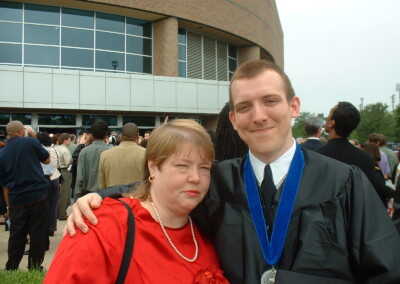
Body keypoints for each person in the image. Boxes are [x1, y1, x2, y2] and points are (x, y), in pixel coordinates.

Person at [67, 60, 400, 283]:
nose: (258, 116)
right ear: (233, 120)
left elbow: (385, 273)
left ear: (293, 107)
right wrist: (101, 197)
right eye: (244, 107)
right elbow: (161, 192)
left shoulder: (344, 183)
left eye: (270, 101)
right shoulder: (218, 181)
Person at [45, 119, 229, 283]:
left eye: (204, 168)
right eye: (182, 166)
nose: (196, 177)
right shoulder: (102, 225)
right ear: (153, 167)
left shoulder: (208, 228)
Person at [0, 121, 50, 270]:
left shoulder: (3, 153)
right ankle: (34, 266)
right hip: (38, 195)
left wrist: (9, 206)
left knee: (17, 234)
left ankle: (12, 266)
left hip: (17, 199)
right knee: (37, 233)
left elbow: (5, 186)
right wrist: (34, 136)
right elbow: (46, 159)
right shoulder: (30, 142)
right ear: (21, 131)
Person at [98, 122, 146, 189]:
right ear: (137, 137)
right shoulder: (146, 154)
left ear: (122, 136)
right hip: (136, 198)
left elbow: (102, 185)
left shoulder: (105, 155)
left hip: (112, 197)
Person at [75, 120, 112, 198]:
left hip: (89, 193)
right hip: (108, 193)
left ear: (92, 134)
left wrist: (78, 193)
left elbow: (80, 177)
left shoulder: (84, 152)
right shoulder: (112, 151)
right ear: (106, 134)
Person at [57, 133, 73, 220]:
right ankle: (62, 213)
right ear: (65, 140)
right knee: (65, 194)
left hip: (57, 171)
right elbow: (69, 165)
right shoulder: (65, 151)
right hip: (65, 172)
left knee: (59, 194)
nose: (70, 142)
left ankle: (58, 212)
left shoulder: (56, 148)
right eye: (69, 140)